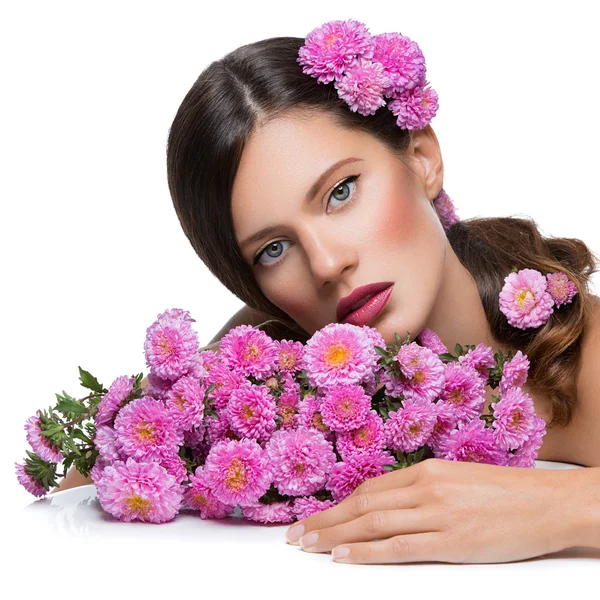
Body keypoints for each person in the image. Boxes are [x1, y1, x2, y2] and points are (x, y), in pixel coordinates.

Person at [58, 19, 600, 564]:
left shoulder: (582, 361)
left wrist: (555, 509)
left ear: (421, 158)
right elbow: (80, 497)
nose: (326, 263)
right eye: (273, 249)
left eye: (340, 192)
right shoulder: (270, 359)